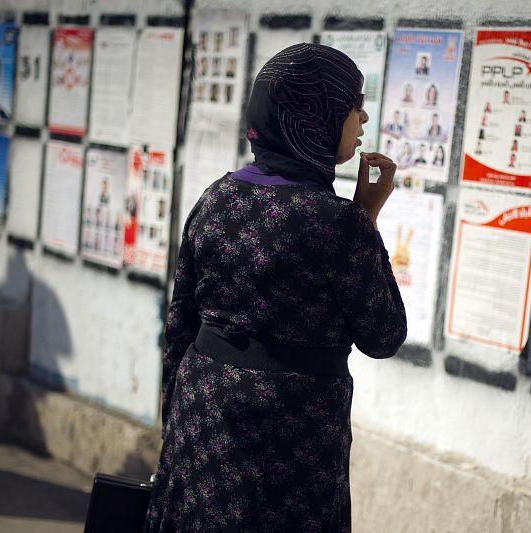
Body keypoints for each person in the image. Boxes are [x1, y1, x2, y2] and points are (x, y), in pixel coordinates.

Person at [146, 43, 406, 532]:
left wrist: (173, 435)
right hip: (289, 449)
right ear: (316, 116)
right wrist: (366, 218)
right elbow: (384, 334)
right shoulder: (335, 224)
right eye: (354, 104)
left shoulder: (217, 197)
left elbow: (179, 325)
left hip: (202, 427)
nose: (364, 117)